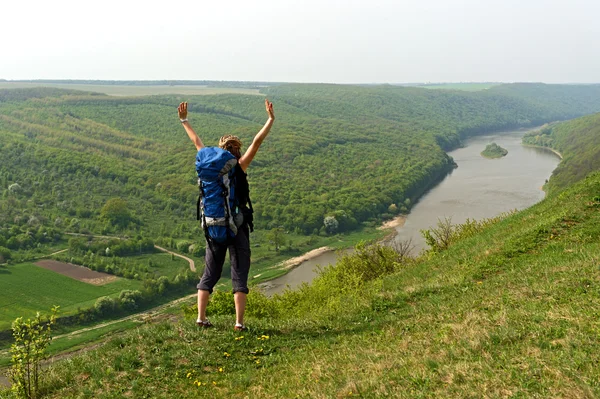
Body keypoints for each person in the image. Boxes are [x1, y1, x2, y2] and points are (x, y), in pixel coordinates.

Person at [178, 99, 275, 331]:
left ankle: (201, 318)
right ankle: (239, 323)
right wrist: (270, 119)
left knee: (209, 276)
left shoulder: (208, 164)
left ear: (220, 150)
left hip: (213, 227)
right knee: (239, 277)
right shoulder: (240, 166)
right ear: (236, 150)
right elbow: (257, 142)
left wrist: (184, 120)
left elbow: (196, 140)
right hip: (237, 227)